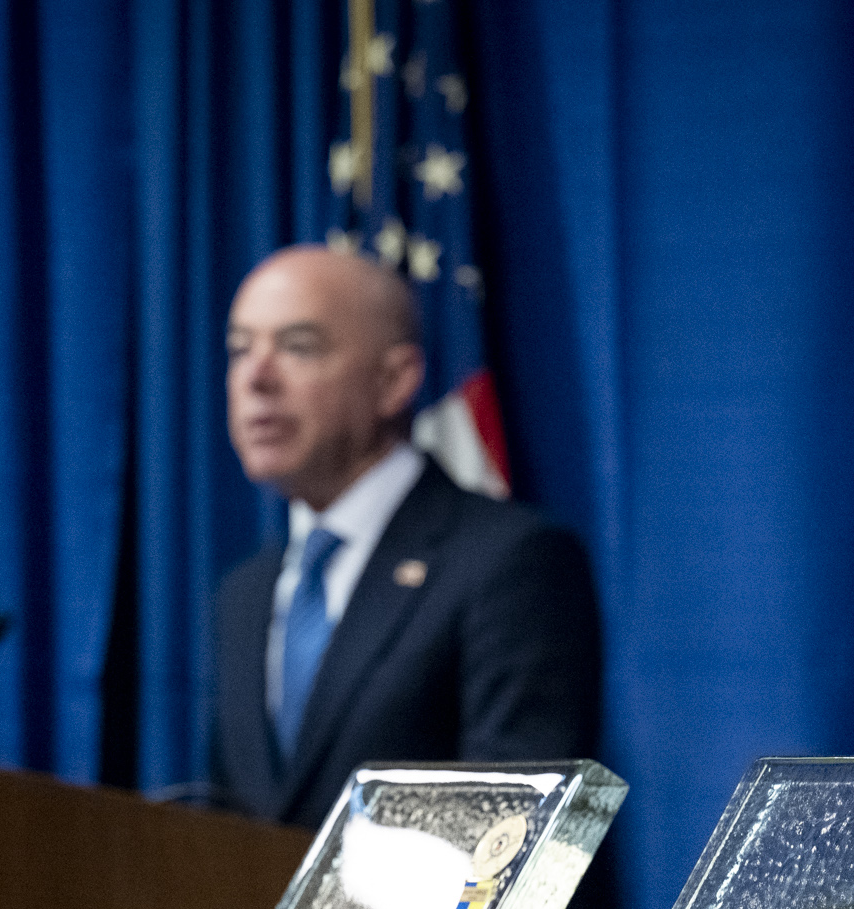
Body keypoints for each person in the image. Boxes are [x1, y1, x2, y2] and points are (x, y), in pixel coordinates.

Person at [210, 245, 602, 828]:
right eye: (240, 348)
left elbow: (515, 838)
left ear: (394, 380)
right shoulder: (245, 594)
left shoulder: (511, 562)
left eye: (298, 346)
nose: (256, 377)